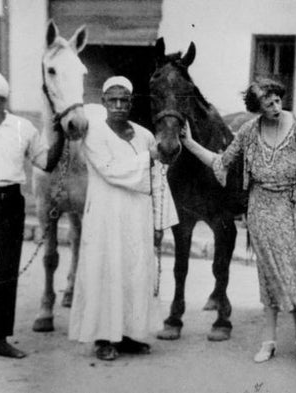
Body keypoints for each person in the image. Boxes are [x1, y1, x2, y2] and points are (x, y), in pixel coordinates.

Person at [180, 77, 296, 363]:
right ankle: (268, 341)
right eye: (268, 103)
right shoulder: (249, 131)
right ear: (257, 108)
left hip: (295, 208)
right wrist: (189, 144)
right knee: (271, 278)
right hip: (261, 211)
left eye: (277, 100)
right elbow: (221, 162)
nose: (276, 107)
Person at [68, 76, 178, 361]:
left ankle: (129, 334)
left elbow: (158, 179)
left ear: (131, 102)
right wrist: (148, 159)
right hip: (106, 214)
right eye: (112, 100)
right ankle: (103, 337)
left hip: (138, 216)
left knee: (135, 271)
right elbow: (110, 170)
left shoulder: (144, 135)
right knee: (106, 272)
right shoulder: (95, 134)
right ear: (104, 102)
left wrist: (159, 223)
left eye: (124, 100)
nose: (118, 106)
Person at [0, 70, 66, 358]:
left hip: (9, 201)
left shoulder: (24, 128)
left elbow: (46, 163)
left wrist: (59, 136)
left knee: (6, 272)